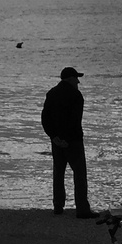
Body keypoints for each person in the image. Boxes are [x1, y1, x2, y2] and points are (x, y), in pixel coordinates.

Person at [41, 66, 97, 217]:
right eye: (77, 78)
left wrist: (54, 137)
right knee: (79, 174)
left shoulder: (51, 94)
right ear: (71, 79)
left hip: (56, 141)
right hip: (73, 141)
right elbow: (75, 120)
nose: (78, 81)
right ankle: (82, 209)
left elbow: (45, 118)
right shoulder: (76, 95)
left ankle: (58, 205)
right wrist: (67, 140)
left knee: (58, 173)